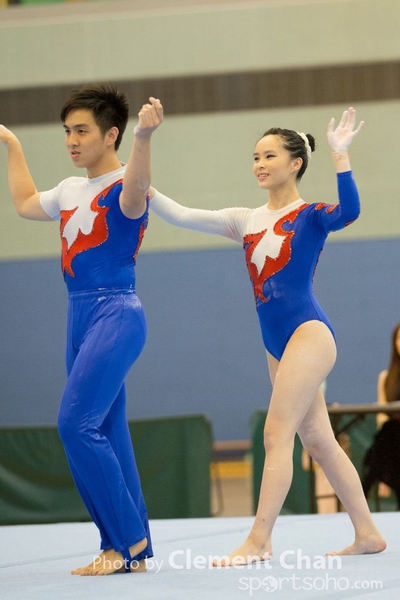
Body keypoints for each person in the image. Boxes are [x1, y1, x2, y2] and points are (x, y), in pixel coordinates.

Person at [133, 102, 386, 563]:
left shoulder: (311, 215)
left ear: (296, 163)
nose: (259, 164)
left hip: (309, 334)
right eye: (255, 157)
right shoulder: (245, 219)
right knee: (318, 440)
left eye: (269, 156)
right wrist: (140, 183)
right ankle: (368, 533)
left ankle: (259, 540)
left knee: (276, 433)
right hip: (277, 343)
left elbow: (350, 211)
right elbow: (183, 214)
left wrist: (341, 155)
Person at [0, 85, 164, 575]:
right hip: (79, 317)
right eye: (67, 131)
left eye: (82, 131)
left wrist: (144, 138)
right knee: (107, 429)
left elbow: (137, 182)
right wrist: (12, 144)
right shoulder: (70, 189)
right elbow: (25, 202)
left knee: (75, 426)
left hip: (117, 314)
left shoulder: (129, 189)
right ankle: (130, 547)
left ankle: (126, 542)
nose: (71, 140)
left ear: (111, 134)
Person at [362, 323, 400, 509]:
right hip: (393, 438)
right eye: (399, 338)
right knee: (379, 449)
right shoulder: (386, 377)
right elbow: (382, 415)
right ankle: (359, 508)